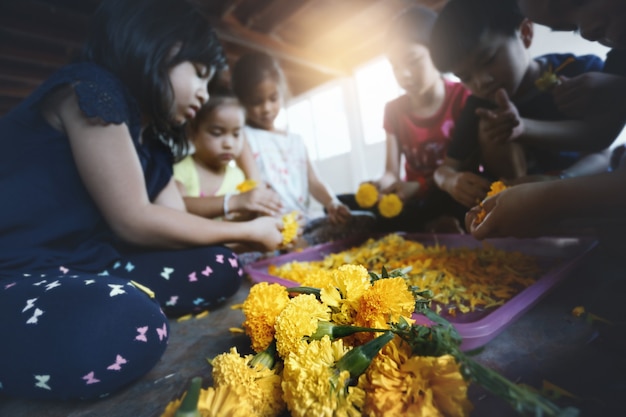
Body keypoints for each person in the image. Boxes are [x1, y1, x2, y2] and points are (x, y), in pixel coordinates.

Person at [0, 0, 284, 401]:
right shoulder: (93, 91)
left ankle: (96, 299)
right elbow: (134, 219)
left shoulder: (152, 143)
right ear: (162, 48)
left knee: (220, 265)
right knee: (128, 324)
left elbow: (176, 219)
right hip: (17, 266)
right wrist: (245, 227)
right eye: (199, 74)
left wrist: (247, 235)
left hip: (85, 262)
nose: (204, 93)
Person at [463, 0, 626, 240]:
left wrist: (549, 198)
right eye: (570, 26)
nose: (588, 33)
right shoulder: (619, 59)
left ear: (525, 34)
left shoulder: (583, 67)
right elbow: (599, 134)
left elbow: (599, 147)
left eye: (578, 2)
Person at [429, 0, 614, 210]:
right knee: (490, 125)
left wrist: (561, 181)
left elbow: (601, 154)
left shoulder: (580, 73)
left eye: (488, 60)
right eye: (465, 77)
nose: (481, 81)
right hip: (517, 210)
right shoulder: (479, 105)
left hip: (581, 200)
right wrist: (452, 182)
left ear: (525, 33)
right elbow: (444, 170)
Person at [337, 6, 470, 233]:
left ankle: (441, 224)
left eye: (413, 61)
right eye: (395, 66)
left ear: (437, 52)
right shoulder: (393, 110)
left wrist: (418, 187)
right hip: (413, 200)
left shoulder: (462, 97)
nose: (404, 75)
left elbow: (467, 164)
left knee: (457, 197)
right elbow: (391, 171)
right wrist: (381, 186)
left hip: (451, 192)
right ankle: (433, 226)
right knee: (352, 204)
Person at [230, 51, 355, 243]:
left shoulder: (296, 140)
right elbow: (256, 188)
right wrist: (280, 227)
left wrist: (332, 203)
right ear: (242, 101)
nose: (267, 108)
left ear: (281, 93)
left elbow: (313, 180)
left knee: (362, 222)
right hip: (273, 227)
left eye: (273, 98)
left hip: (305, 222)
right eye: (256, 101)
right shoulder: (245, 137)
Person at [173, 89, 282, 221]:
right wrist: (234, 201)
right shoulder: (181, 170)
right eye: (217, 133)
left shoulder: (237, 176)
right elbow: (177, 208)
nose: (229, 144)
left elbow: (236, 220)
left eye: (236, 134)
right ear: (192, 133)